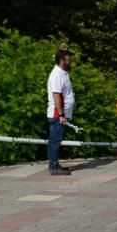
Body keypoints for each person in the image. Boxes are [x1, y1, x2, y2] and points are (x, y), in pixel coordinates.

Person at [46, 47, 75, 176]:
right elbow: (56, 95)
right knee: (55, 140)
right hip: (57, 114)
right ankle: (53, 166)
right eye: (68, 60)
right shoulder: (56, 74)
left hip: (61, 114)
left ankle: (55, 164)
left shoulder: (62, 73)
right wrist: (61, 114)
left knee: (57, 140)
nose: (70, 62)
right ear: (62, 60)